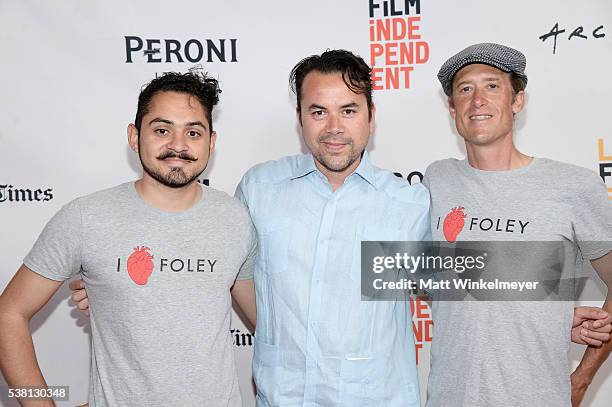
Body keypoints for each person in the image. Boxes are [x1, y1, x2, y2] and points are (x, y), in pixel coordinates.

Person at [68, 50, 612, 406]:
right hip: (281, 399)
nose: (334, 128)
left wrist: (551, 309)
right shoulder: (259, 188)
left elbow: (456, 273)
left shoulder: (414, 197)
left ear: (371, 119)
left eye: (349, 110)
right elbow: (214, 257)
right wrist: (121, 287)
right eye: (318, 111)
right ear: (300, 117)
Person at [0, 69, 257, 407]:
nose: (178, 145)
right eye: (162, 130)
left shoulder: (235, 218)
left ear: (211, 142)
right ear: (135, 137)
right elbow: (8, 314)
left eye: (193, 132)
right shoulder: (85, 217)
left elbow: (267, 319)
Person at [423, 42, 612, 407]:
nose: (478, 100)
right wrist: (539, 308)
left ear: (518, 100)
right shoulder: (436, 179)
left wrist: (582, 378)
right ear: (452, 108)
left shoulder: (574, 186)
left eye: (492, 85)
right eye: (465, 89)